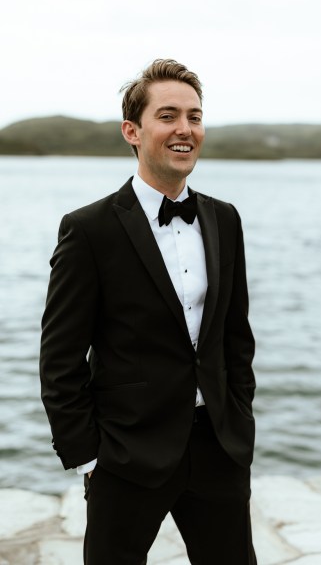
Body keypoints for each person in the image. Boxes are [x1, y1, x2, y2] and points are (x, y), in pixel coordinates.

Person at [40, 58, 257, 565]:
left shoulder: (224, 220)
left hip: (217, 449)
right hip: (125, 454)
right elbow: (60, 356)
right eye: (168, 115)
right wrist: (89, 457)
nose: (185, 129)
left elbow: (235, 336)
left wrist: (239, 421)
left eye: (195, 116)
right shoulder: (88, 229)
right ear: (132, 131)